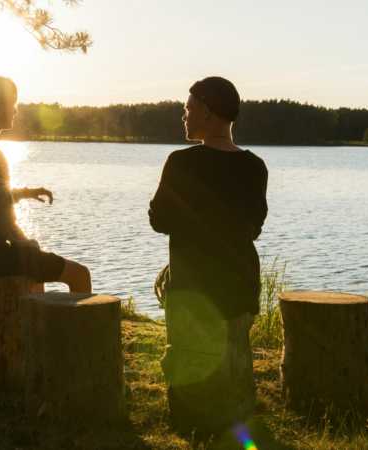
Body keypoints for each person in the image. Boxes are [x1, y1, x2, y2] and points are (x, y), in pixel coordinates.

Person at [148, 76, 268, 434]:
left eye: (187, 109)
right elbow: (255, 224)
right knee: (235, 359)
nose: (183, 116)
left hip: (192, 288)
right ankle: (237, 418)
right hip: (239, 287)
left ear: (205, 110)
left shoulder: (181, 163)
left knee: (165, 283)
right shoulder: (255, 166)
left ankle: (193, 425)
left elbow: (159, 220)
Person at [0, 76, 91, 293]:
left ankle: (37, 325)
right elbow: (4, 220)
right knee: (79, 274)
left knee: (35, 271)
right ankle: (79, 328)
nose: (16, 111)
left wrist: (25, 193)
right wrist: (31, 245)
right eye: (13, 104)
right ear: (0, 109)